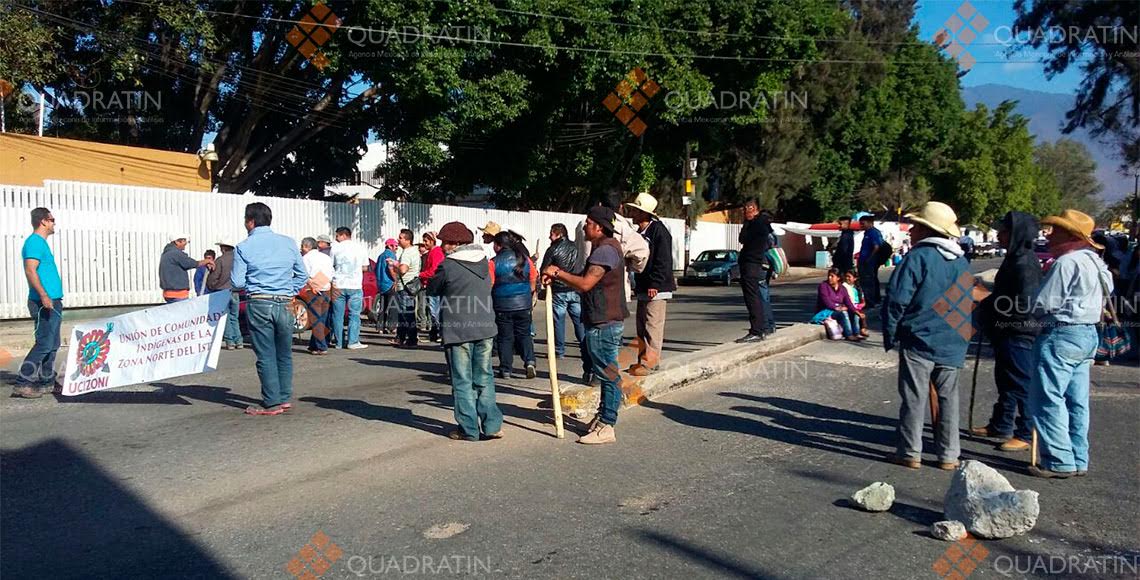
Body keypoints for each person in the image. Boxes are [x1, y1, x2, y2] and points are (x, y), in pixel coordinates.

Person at [882, 202, 969, 470]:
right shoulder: (961, 261)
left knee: (914, 397)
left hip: (919, 338)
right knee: (948, 400)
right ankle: (949, 455)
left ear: (925, 229)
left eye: (915, 226)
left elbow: (897, 300)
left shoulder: (918, 258)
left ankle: (910, 451)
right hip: (952, 341)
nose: (912, 231)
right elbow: (965, 304)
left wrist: (891, 333)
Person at [1026, 209, 1112, 479]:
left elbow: (1045, 302)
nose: (1050, 236)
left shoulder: (1067, 263)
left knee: (1047, 397)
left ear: (1071, 236)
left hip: (1062, 333)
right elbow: (1108, 291)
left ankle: (1059, 460)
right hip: (1087, 333)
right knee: (1077, 400)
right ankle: (1078, 457)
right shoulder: (1096, 263)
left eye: (1056, 231)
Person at [543, 206, 628, 445]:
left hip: (604, 321)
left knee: (608, 374)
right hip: (602, 319)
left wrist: (557, 271)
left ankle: (607, 424)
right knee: (606, 372)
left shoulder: (605, 251)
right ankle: (603, 418)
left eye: (589, 223)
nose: (585, 227)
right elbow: (584, 277)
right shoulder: (604, 249)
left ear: (599, 226)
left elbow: (586, 283)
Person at [971, 212, 1041, 452]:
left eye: (1004, 231)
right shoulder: (1014, 258)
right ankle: (1001, 423)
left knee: (1021, 383)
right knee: (1006, 381)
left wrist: (987, 301)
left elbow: (1023, 304)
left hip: (1018, 331)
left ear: (1016, 234)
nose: (999, 235)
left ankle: (1025, 432)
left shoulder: (1025, 263)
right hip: (1006, 331)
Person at [427, 222, 504, 441]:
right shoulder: (484, 261)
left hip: (458, 328)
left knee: (462, 380)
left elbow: (434, 289)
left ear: (457, 244)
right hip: (485, 326)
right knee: (484, 377)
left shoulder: (448, 265)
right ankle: (492, 426)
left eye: (445, 242)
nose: (442, 246)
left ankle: (468, 429)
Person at [231, 202, 307, 416]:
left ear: (250, 222)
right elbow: (302, 274)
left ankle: (271, 402)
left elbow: (237, 282)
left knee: (265, 354)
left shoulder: (243, 246)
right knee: (284, 352)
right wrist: (286, 289)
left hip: (260, 302)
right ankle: (284, 397)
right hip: (285, 302)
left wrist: (257, 287)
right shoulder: (288, 243)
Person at [12, 208, 63, 399]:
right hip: (44, 302)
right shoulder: (34, 243)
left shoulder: (41, 243)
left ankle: (47, 381)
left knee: (53, 343)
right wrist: (43, 295)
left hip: (53, 300)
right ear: (43, 221)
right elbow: (30, 270)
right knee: (44, 343)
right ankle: (23, 383)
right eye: (52, 220)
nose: (54, 223)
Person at [625, 192, 675, 376]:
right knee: (641, 325)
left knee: (652, 325)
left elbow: (663, 260)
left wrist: (655, 282)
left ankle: (650, 362)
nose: (633, 213)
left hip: (656, 287)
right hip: (643, 285)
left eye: (636, 210)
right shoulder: (640, 232)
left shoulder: (659, 231)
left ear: (645, 213)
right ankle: (642, 360)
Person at [574, 188, 650, 302]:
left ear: (600, 204)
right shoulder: (623, 227)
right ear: (620, 206)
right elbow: (642, 253)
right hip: (613, 288)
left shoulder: (583, 224)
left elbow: (577, 248)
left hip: (583, 281)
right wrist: (629, 266)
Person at [491, 231, 537, 379]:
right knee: (524, 334)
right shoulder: (524, 259)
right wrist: (528, 295)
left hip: (502, 305)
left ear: (498, 246)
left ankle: (506, 369)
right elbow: (533, 278)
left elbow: (490, 284)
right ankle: (530, 362)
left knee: (505, 337)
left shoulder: (493, 262)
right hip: (523, 304)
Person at [540, 223, 585, 369]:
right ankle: (584, 347)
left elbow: (545, 269)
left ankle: (559, 350)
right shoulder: (576, 247)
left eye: (551, 233)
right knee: (579, 320)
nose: (549, 236)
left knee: (558, 321)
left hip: (559, 289)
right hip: (575, 287)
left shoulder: (553, 249)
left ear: (558, 234)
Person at [736, 199, 773, 343]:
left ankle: (757, 330)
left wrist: (746, 223)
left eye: (749, 209)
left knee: (752, 297)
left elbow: (743, 238)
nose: (746, 212)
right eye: (745, 209)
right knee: (755, 296)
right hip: (752, 263)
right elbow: (741, 239)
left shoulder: (758, 224)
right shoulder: (760, 223)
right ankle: (761, 328)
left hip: (752, 263)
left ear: (756, 209)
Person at [330, 226, 368, 350]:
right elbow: (365, 267)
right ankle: (353, 341)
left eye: (337, 236)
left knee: (338, 315)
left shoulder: (335, 248)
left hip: (338, 285)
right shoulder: (360, 248)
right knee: (354, 314)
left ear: (343, 235)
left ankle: (339, 342)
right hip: (355, 285)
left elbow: (331, 266)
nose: (336, 238)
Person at [300, 236, 335, 355]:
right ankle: (314, 345)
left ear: (306, 246)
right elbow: (331, 273)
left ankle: (321, 346)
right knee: (322, 318)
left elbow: (304, 275)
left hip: (313, 290)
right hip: (326, 289)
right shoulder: (326, 257)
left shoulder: (306, 258)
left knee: (315, 320)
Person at [207, 239, 242, 350]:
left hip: (222, 291)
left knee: (225, 317)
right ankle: (239, 340)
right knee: (234, 317)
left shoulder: (220, 260)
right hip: (235, 291)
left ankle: (230, 341)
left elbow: (213, 278)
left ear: (223, 248)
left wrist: (211, 286)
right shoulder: (239, 259)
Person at [390, 229, 422, 347]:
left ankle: (412, 339)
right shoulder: (414, 251)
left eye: (401, 238)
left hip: (405, 287)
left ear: (408, 240)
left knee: (407, 313)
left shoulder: (407, 253)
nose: (398, 240)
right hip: (407, 286)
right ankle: (401, 337)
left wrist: (395, 264)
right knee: (404, 314)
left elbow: (403, 269)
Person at [160, 234, 213, 303]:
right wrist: (207, 261)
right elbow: (192, 263)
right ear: (177, 242)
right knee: (181, 313)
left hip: (168, 293)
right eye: (184, 241)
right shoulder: (176, 253)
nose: (186, 243)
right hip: (178, 293)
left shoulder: (166, 253)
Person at [817, 268, 863, 341]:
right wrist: (838, 307)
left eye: (832, 276)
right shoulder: (823, 286)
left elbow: (848, 303)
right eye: (829, 276)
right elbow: (827, 302)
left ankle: (856, 332)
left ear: (838, 278)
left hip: (838, 310)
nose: (829, 278)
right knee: (843, 313)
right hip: (827, 311)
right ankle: (849, 334)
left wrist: (857, 312)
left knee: (854, 313)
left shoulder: (842, 288)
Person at [420, 231, 445, 342]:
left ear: (432, 241)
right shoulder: (432, 252)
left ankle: (441, 333)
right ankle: (436, 333)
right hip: (431, 284)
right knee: (433, 310)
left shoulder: (436, 252)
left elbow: (434, 270)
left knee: (435, 311)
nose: (424, 243)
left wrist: (420, 274)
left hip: (435, 285)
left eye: (426, 241)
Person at [858, 214, 885, 308]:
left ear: (870, 223)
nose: (861, 225)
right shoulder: (867, 233)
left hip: (869, 263)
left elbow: (876, 247)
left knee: (868, 282)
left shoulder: (873, 233)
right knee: (867, 281)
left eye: (863, 223)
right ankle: (872, 300)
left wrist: (868, 259)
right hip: (864, 261)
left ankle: (871, 301)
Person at [374, 238, 399, 334]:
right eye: (395, 246)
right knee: (393, 306)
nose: (396, 248)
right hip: (390, 283)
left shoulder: (380, 256)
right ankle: (392, 327)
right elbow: (391, 268)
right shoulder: (391, 255)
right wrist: (396, 280)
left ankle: (380, 327)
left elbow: (376, 269)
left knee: (382, 306)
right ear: (389, 246)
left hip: (381, 284)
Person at [841, 270, 870, 337]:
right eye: (846, 276)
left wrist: (862, 304)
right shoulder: (844, 286)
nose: (847, 278)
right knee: (856, 314)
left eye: (849, 277)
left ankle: (862, 328)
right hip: (849, 306)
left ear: (855, 278)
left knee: (861, 313)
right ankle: (856, 332)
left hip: (857, 306)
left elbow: (863, 300)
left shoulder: (857, 288)